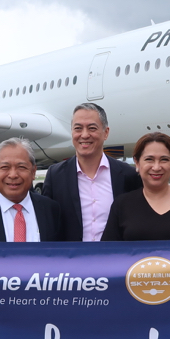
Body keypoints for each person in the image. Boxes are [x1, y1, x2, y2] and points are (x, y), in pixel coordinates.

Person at [42, 103, 142, 241]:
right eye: (78, 128)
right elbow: (49, 223)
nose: (84, 135)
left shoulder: (128, 175)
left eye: (92, 128)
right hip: (71, 260)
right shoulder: (56, 175)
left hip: (115, 259)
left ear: (105, 132)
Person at [102, 132, 170, 241]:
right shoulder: (122, 204)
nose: (156, 167)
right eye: (149, 159)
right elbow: (109, 253)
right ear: (137, 163)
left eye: (164, 159)